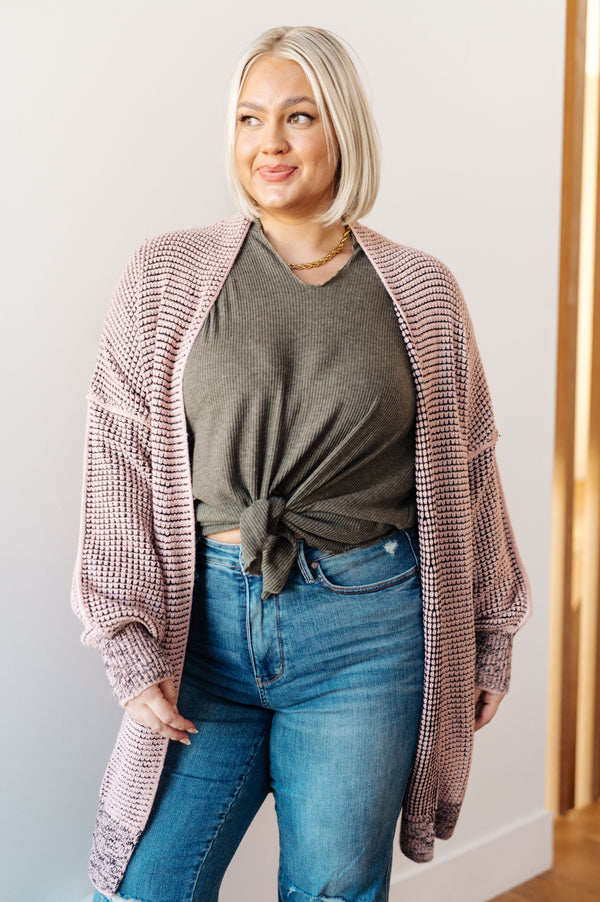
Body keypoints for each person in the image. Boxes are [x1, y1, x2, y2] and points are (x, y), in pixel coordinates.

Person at [72, 24, 531, 902]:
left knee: (332, 890)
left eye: (297, 116)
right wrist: (130, 647)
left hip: (367, 635)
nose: (268, 143)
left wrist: (489, 635)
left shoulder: (421, 290)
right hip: (200, 632)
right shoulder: (164, 276)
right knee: (143, 886)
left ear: (343, 127)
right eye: (249, 119)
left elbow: (468, 470)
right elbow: (120, 462)